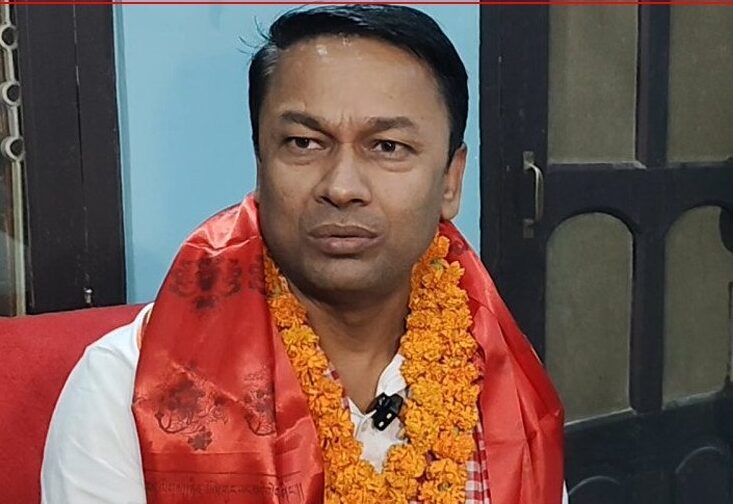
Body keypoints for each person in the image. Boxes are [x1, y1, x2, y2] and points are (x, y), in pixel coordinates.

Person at [42, 5, 566, 504]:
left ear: (451, 180)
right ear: (260, 162)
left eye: (388, 147)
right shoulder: (128, 388)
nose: (342, 187)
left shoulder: (502, 378)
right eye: (303, 143)